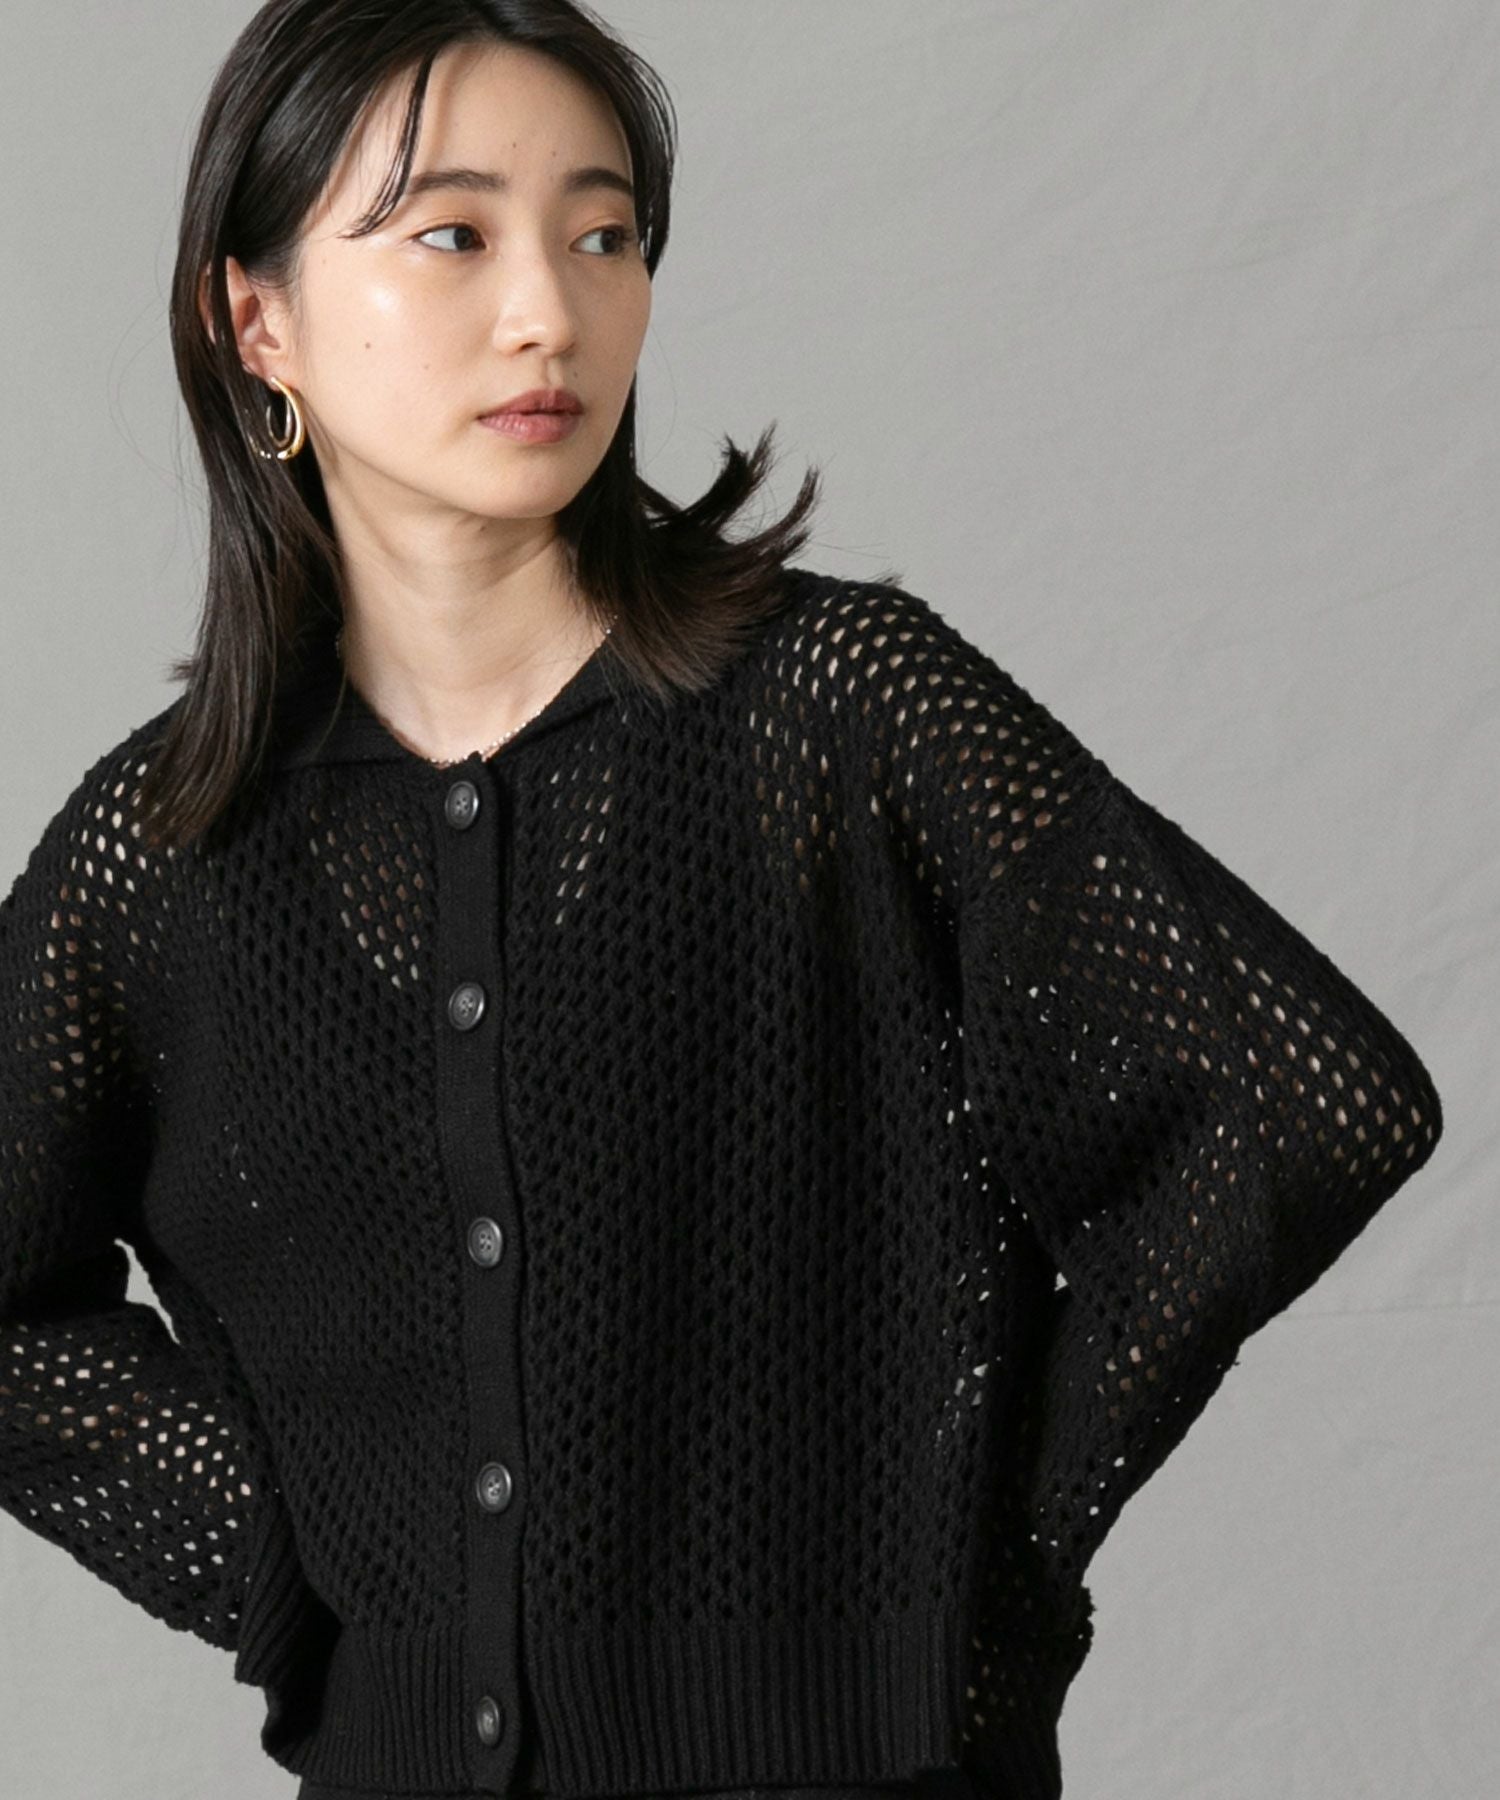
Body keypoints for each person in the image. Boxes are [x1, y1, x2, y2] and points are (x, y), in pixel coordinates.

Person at [0, 4, 1444, 1799]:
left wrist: (977, 1543)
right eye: (453, 235)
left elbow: (1303, 1106)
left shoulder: (840, 714)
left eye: (604, 234)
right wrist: (300, 1580)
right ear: (258, 320)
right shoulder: (170, 847)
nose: (550, 312)